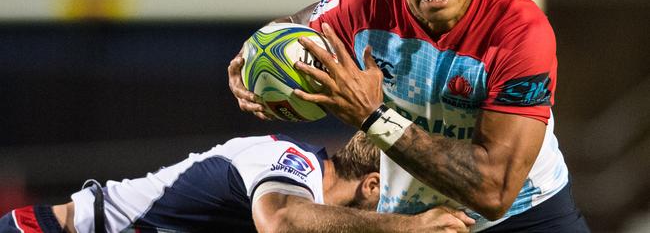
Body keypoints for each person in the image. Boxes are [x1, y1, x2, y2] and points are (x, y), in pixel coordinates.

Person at [228, 0, 590, 232]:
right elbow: (293, 26)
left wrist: (373, 116)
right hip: (416, 219)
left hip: (527, 215)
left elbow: (494, 192)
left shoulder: (519, 33)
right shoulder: (363, 5)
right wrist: (252, 59)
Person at [0, 132, 474, 233]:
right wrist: (410, 228)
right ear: (372, 186)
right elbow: (281, 220)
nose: (398, 210)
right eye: (400, 201)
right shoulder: (291, 162)